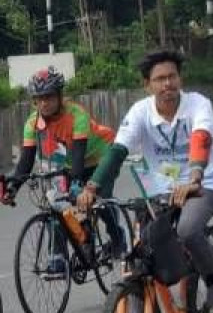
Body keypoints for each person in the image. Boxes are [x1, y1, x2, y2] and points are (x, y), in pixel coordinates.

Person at [78, 50, 213, 310]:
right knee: (140, 254)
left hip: (202, 186)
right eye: (159, 79)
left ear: (180, 79)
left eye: (172, 76)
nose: (167, 84)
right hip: (159, 193)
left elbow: (201, 138)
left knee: (187, 230)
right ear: (147, 84)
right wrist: (92, 187)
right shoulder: (140, 112)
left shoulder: (198, 104)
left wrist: (194, 178)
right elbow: (117, 150)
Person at [5, 67, 125, 264]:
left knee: (98, 199)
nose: (44, 103)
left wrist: (78, 184)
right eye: (39, 98)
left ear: (60, 96)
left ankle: (117, 237)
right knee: (59, 206)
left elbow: (79, 154)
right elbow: (26, 160)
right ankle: (59, 256)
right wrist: (13, 188)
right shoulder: (32, 123)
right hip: (73, 161)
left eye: (49, 97)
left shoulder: (77, 114)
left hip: (102, 155)